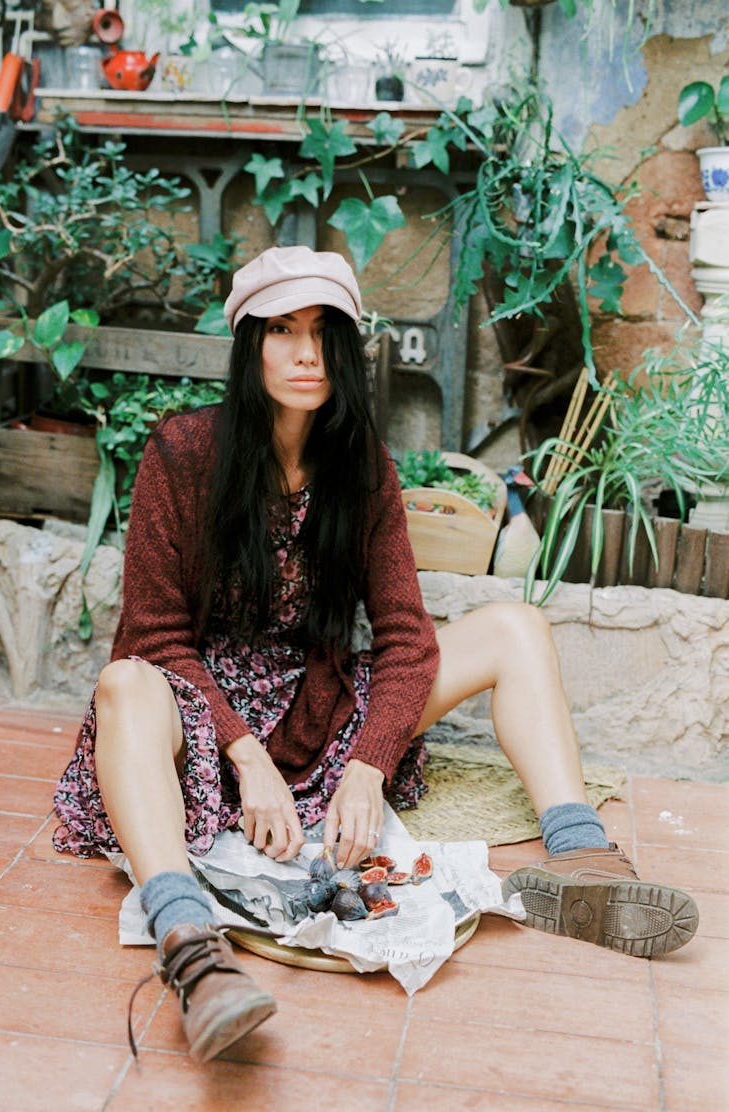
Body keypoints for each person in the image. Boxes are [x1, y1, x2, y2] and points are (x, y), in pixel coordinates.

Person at [52, 245, 699, 1063]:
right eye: (281, 330)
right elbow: (151, 637)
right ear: (249, 344)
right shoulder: (182, 453)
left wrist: (368, 763)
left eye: (324, 332)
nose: (305, 354)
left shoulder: (363, 469)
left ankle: (584, 858)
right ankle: (190, 945)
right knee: (122, 684)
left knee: (515, 626)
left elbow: (404, 639)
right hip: (203, 728)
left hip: (318, 710)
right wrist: (244, 755)